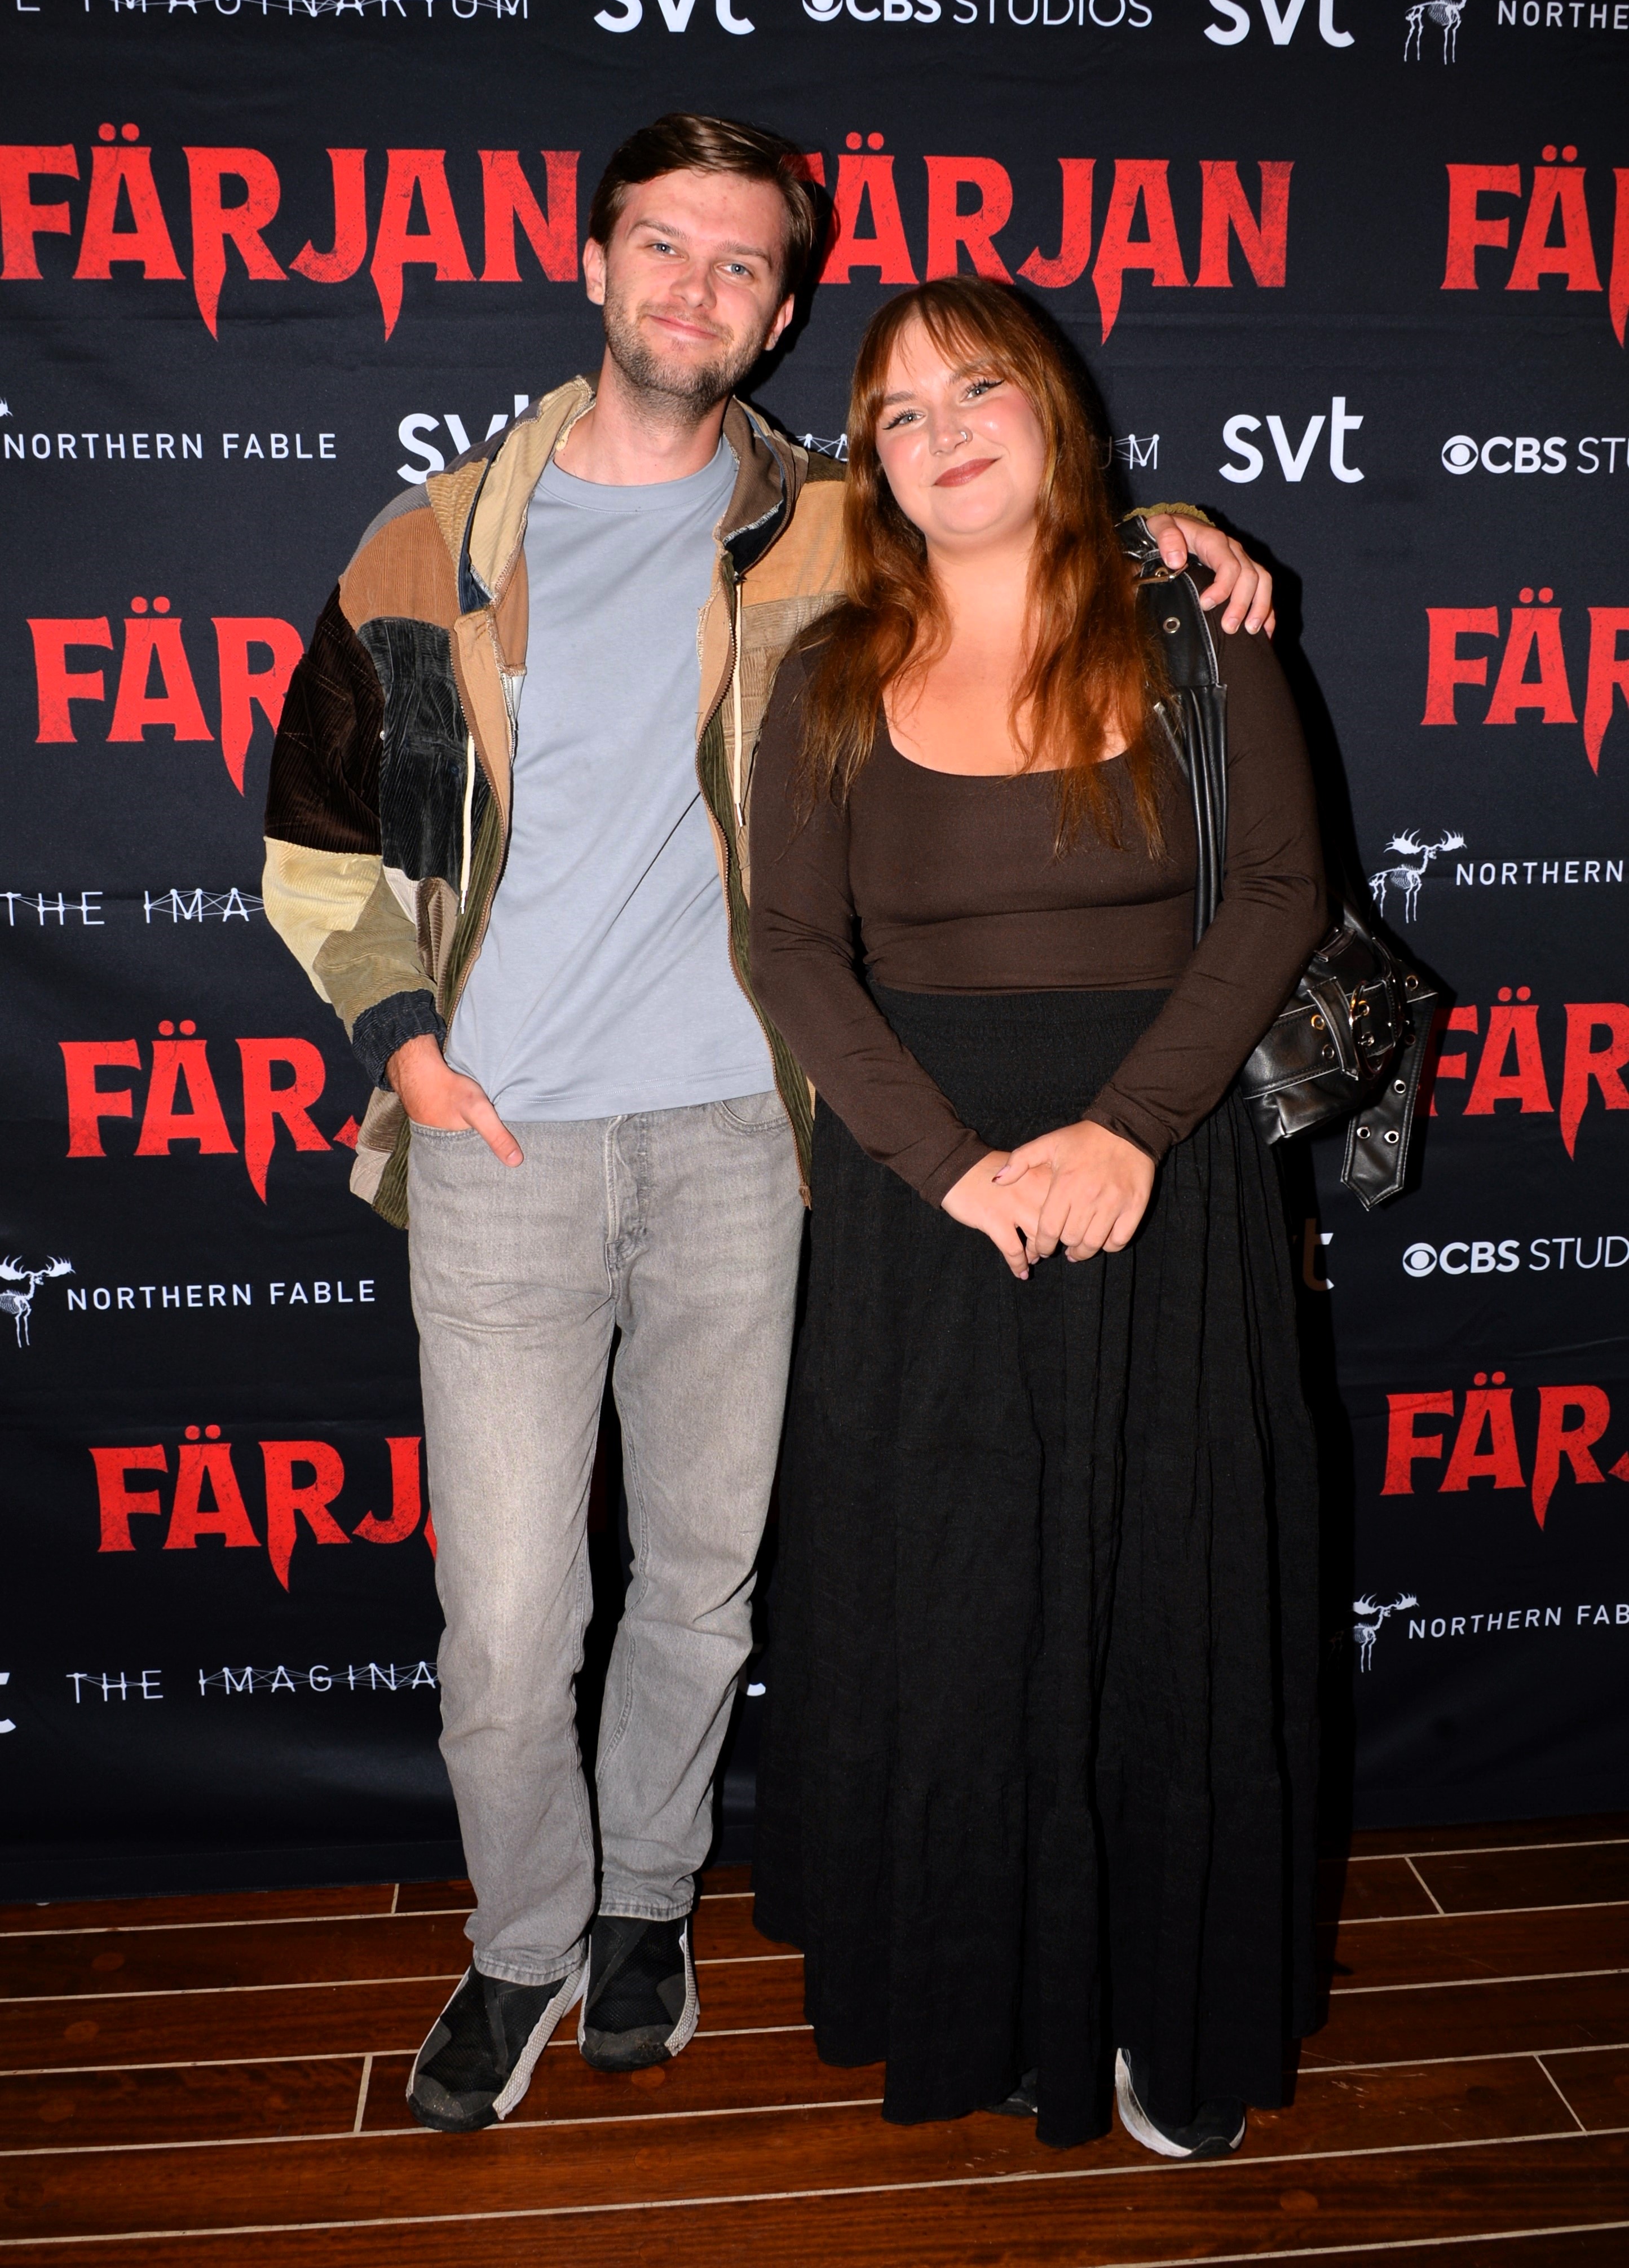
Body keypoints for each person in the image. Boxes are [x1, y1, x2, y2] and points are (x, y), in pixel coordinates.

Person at [262, 116, 1272, 2137]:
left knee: (705, 1583)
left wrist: (1171, 527)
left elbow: (1015, 524)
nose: (696, 290)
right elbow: (315, 848)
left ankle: (645, 1906)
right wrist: (406, 1051)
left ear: (782, 308)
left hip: (751, 1138)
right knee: (508, 1619)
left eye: (741, 265)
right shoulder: (429, 544)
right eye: (664, 247)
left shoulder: (828, 523)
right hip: (500, 1145)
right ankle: (521, 1939)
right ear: (593, 264)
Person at [747, 275, 1323, 2159]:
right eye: (898, 414)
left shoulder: (1190, 627)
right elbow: (787, 942)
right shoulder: (828, 667)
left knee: (1167, 1594)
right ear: (869, 462)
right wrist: (946, 1163)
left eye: (977, 389)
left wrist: (1130, 1130)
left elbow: (1277, 891)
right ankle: (971, 1987)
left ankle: (1167, 2002)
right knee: (951, 1603)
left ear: (1052, 411)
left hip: (1165, 1168)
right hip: (928, 1203)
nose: (943, 434)